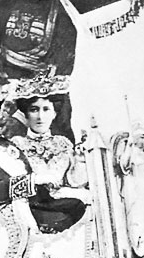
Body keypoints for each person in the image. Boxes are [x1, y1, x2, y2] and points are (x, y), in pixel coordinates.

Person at [0, 70, 86, 234]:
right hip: (7, 223)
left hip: (34, 207)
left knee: (81, 205)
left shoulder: (5, 144)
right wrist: (29, 182)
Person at [12, 87, 88, 232]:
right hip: (33, 205)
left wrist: (80, 160)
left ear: (54, 113)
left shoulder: (63, 143)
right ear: (26, 115)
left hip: (64, 202)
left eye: (46, 109)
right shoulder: (17, 144)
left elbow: (75, 181)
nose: (40, 116)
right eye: (34, 110)